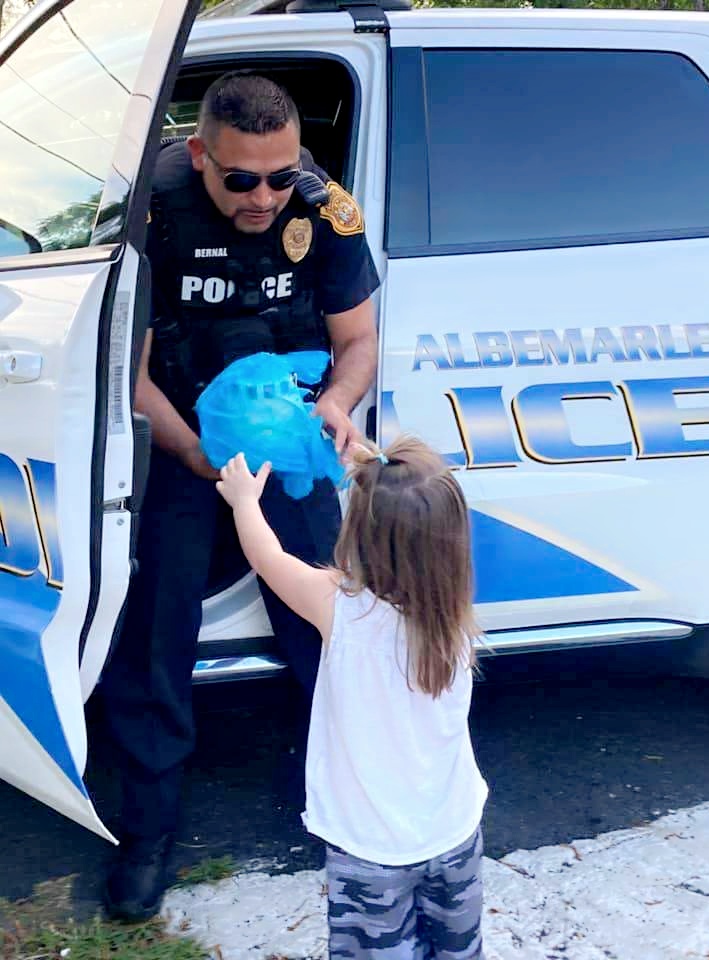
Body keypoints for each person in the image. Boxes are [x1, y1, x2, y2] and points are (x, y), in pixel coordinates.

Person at [101, 72, 380, 921]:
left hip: (289, 442)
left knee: (331, 624)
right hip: (183, 441)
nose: (264, 197)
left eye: (280, 174)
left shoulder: (323, 207)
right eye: (240, 179)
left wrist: (334, 404)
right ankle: (146, 829)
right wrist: (192, 454)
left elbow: (359, 337)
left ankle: (359, 801)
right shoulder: (152, 208)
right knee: (156, 630)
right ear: (199, 154)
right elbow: (130, 370)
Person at [216, 436, 489, 960]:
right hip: (453, 832)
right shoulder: (455, 615)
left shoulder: (341, 609)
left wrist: (246, 502)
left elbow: (268, 557)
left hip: (369, 847)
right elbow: (415, 516)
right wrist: (375, 473)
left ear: (356, 534)